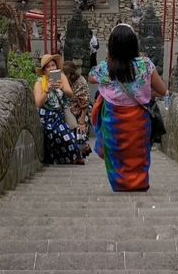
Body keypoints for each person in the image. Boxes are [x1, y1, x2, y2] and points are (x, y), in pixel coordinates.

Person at [89, 23, 167, 191]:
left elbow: (91, 77)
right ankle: (139, 183)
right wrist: (144, 91)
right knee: (139, 153)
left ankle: (119, 184)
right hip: (139, 122)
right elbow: (162, 90)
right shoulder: (145, 65)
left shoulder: (105, 68)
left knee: (116, 154)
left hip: (113, 123)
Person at [33, 53, 84, 165]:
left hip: (59, 114)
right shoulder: (39, 83)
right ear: (44, 71)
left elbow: (70, 94)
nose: (51, 68)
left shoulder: (61, 77)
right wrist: (47, 90)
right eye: (48, 67)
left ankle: (73, 157)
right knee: (54, 134)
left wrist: (62, 88)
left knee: (68, 137)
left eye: (53, 65)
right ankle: (56, 159)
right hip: (46, 116)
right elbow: (38, 104)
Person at [62, 61, 92, 157]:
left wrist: (82, 120)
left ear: (70, 74)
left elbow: (85, 103)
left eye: (64, 74)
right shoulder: (65, 82)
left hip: (81, 112)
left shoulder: (80, 83)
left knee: (80, 132)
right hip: (70, 111)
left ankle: (80, 152)